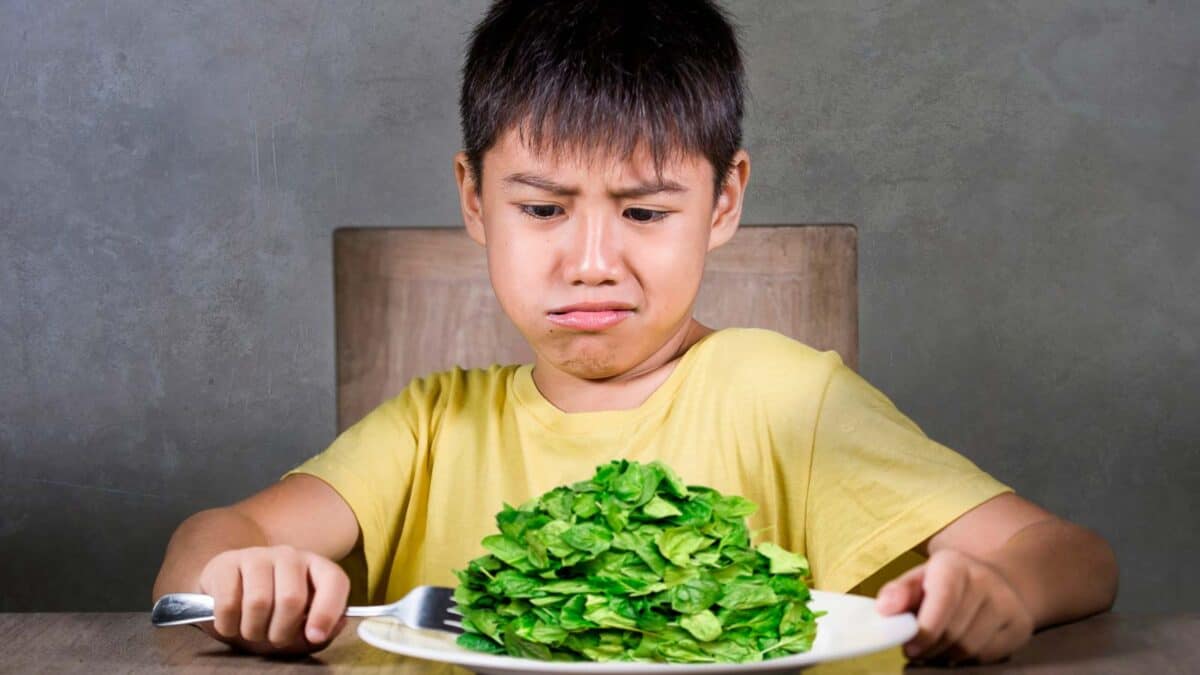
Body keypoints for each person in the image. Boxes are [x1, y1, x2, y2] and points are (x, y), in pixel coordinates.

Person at [152, 0, 1117, 665]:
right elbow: (202, 548)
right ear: (475, 198)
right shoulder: (429, 427)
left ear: (725, 199)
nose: (592, 260)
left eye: (646, 213)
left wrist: (1001, 592)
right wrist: (250, 573)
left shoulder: (786, 400)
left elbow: (1072, 554)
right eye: (541, 209)